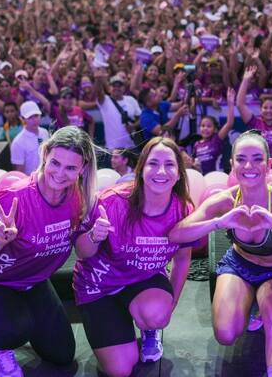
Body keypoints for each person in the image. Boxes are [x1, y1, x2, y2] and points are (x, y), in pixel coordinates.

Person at [169, 132, 272, 377]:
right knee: (226, 334)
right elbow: (176, 234)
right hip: (238, 266)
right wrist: (218, 222)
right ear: (232, 164)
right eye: (241, 159)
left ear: (268, 165)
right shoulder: (225, 201)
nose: (249, 166)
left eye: (257, 159)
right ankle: (247, 303)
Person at [0, 126, 98, 377]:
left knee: (62, 354)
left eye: (71, 168)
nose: (60, 173)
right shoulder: (16, 197)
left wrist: (96, 235)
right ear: (45, 155)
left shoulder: (79, 197)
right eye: (55, 162)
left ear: (82, 169)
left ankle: (19, 321)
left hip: (33, 281)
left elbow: (83, 250)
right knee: (16, 328)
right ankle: (0, 347)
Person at [73, 137, 193, 377]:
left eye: (169, 164)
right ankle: (120, 322)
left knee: (157, 314)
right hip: (99, 285)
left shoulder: (183, 209)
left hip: (142, 279)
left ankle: (149, 328)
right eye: (153, 163)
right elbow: (81, 252)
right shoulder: (111, 201)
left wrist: (172, 304)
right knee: (120, 370)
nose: (161, 171)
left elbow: (182, 260)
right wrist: (95, 236)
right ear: (141, 170)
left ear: (179, 173)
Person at [192, 88, 236, 174]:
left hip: (217, 176)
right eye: (203, 126)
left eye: (209, 126)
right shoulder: (196, 144)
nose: (205, 128)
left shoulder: (216, 140)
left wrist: (230, 103)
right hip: (202, 178)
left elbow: (229, 123)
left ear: (215, 129)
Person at [9, 101, 51, 174]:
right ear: (22, 119)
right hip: (30, 182)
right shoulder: (18, 142)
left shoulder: (45, 132)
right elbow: (19, 171)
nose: (34, 120)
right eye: (30, 117)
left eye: (36, 116)